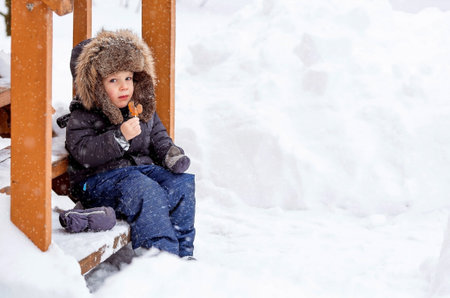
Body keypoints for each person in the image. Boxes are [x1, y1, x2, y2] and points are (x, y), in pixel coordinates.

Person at [62, 29, 196, 259]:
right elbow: (83, 152)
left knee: (181, 183)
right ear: (94, 85)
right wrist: (118, 137)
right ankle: (161, 257)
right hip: (98, 181)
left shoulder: (139, 109)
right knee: (144, 189)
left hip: (138, 172)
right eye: (113, 80)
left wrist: (170, 154)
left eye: (128, 78)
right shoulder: (82, 116)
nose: (124, 87)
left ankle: (184, 253)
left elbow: (158, 137)